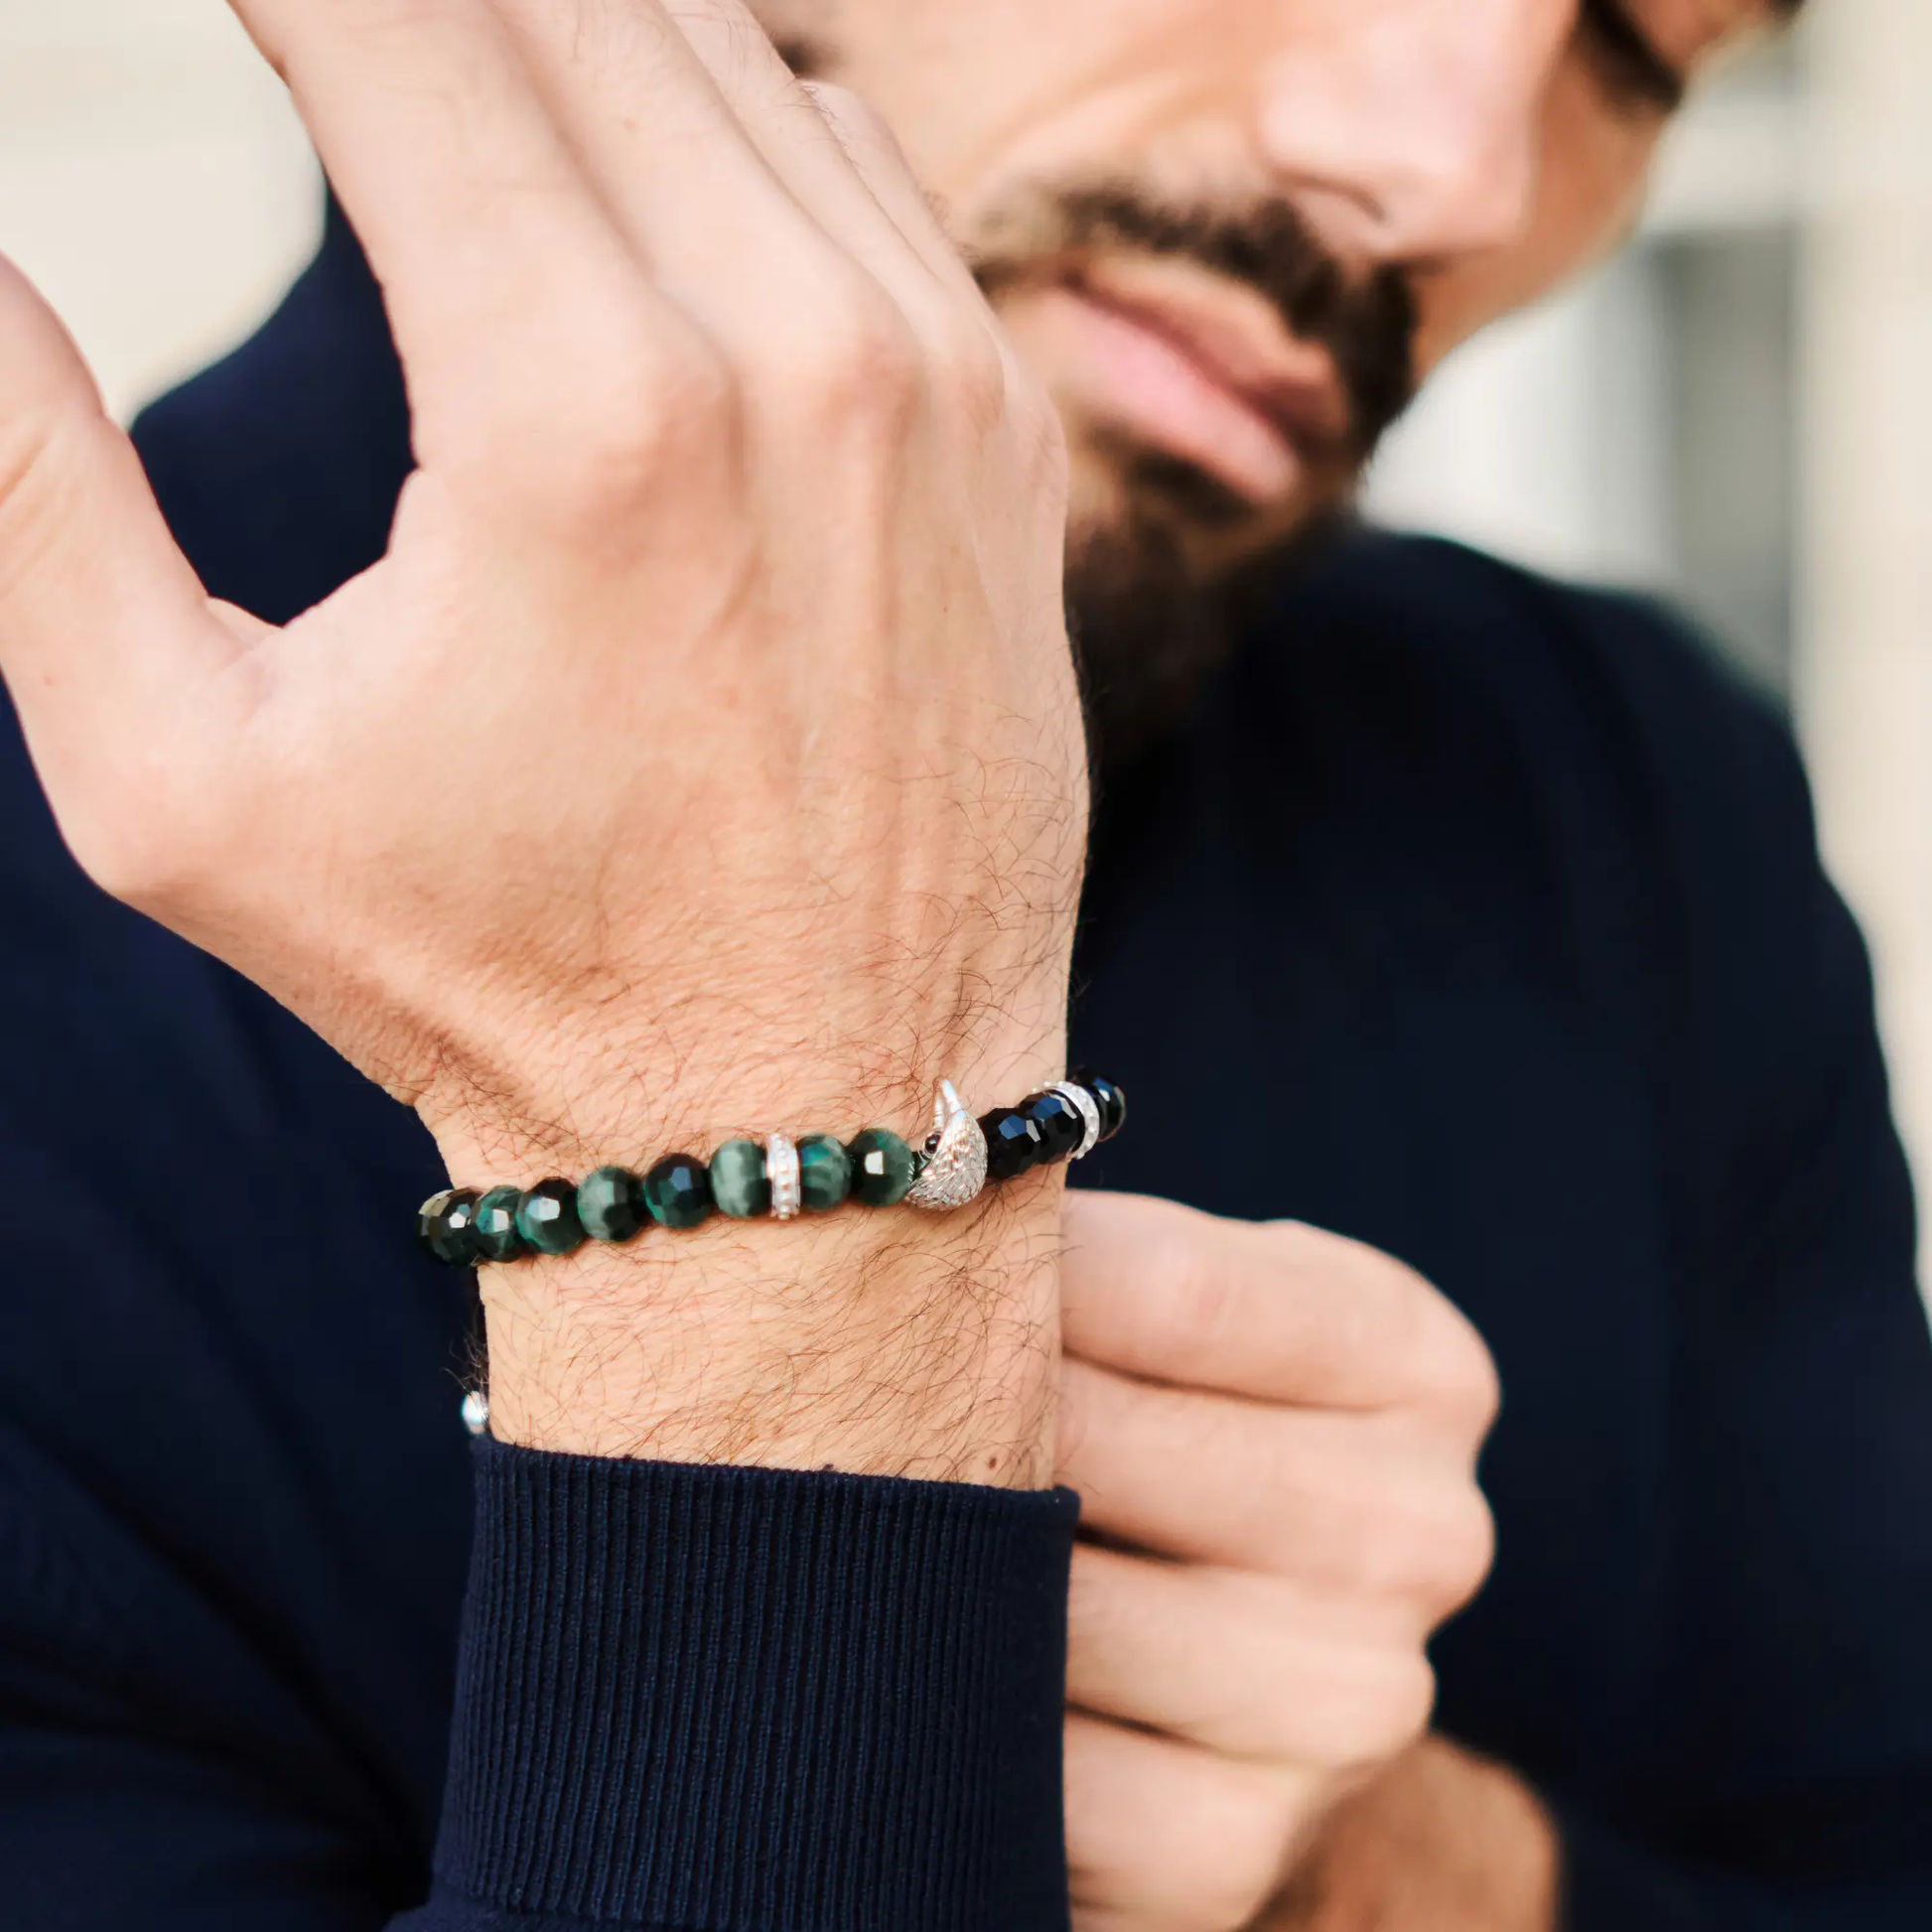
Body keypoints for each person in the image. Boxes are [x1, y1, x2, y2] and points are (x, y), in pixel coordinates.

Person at [1, 1, 1927, 1929]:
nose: (1457, 174)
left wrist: (1388, 1873)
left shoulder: (1633, 805)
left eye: (1645, 55)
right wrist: (810, 1443)